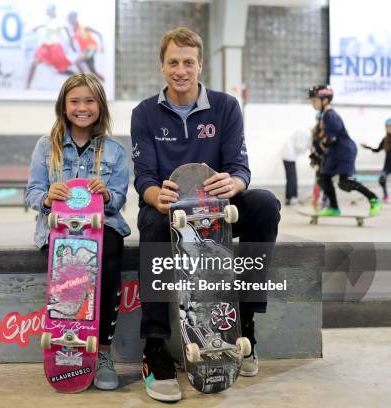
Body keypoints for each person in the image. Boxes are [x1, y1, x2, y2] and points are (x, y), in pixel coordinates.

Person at [130, 27, 280, 402]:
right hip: (170, 212)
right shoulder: (145, 113)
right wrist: (155, 196)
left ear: (200, 65)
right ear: (162, 66)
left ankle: (243, 323)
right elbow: (144, 178)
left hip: (217, 210)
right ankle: (154, 347)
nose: (181, 70)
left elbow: (240, 167)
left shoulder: (226, 106)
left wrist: (235, 184)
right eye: (173, 62)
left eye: (188, 62)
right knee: (149, 220)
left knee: (264, 204)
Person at [25, 73, 131, 390]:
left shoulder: (114, 150)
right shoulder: (46, 147)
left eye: (89, 101)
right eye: (75, 101)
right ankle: (66, 343)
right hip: (60, 232)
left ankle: (103, 352)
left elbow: (121, 198)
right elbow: (31, 193)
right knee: (72, 257)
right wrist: (47, 198)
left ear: (100, 106)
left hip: (102, 231)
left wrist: (107, 194)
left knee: (108, 250)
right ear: (63, 106)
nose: (82, 107)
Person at [307, 85, 383, 216]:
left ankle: (374, 199)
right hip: (335, 152)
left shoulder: (330, 115)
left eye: (314, 100)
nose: (312, 103)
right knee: (323, 178)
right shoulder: (324, 115)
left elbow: (332, 138)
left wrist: (319, 150)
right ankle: (334, 208)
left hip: (344, 151)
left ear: (325, 100)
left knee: (345, 182)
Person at [25, 4, 75, 89]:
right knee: (34, 63)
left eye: (48, 10)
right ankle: (27, 86)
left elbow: (66, 30)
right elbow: (44, 25)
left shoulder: (59, 20)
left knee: (61, 70)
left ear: (53, 10)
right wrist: (36, 28)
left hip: (55, 48)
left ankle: (76, 78)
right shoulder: (47, 19)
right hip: (45, 47)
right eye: (46, 10)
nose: (46, 12)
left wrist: (71, 43)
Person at [67, 11, 105, 82]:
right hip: (85, 50)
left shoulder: (84, 27)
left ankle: (85, 81)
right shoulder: (74, 31)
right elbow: (72, 41)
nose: (70, 22)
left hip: (91, 48)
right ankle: (106, 82)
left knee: (78, 62)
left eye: (71, 19)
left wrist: (102, 46)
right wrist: (72, 47)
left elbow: (99, 34)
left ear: (75, 18)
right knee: (94, 72)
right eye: (69, 20)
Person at [360, 118, 391, 202]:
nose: (389, 129)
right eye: (387, 127)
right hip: (387, 166)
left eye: (390, 127)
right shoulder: (385, 140)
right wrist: (367, 147)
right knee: (382, 180)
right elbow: (377, 150)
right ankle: (385, 195)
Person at [281, 129, 310, 205]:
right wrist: (309, 147)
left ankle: (291, 198)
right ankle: (291, 198)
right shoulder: (307, 134)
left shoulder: (305, 133)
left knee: (291, 178)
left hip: (288, 155)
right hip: (289, 155)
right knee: (292, 178)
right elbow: (300, 147)